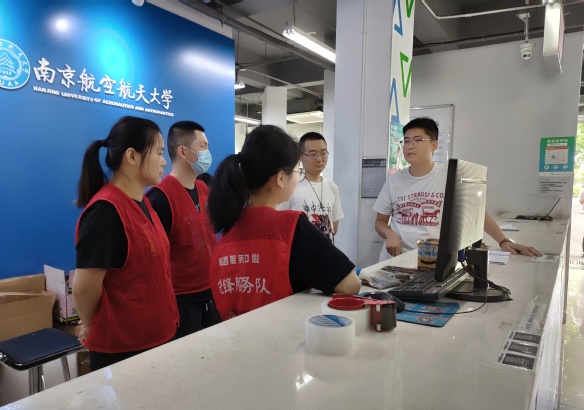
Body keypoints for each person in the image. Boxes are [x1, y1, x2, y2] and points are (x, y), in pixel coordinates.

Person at [208, 125, 361, 320]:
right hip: (281, 333)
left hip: (235, 336)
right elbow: (351, 285)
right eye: (297, 170)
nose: (298, 177)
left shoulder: (228, 228)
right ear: (281, 177)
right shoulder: (290, 225)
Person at [72, 116, 178, 371]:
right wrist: (91, 323)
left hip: (157, 339)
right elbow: (84, 288)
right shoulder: (105, 212)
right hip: (125, 352)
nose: (164, 161)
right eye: (159, 152)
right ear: (132, 156)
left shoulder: (143, 202)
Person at [374, 117, 542, 261]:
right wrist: (389, 234)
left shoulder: (450, 176)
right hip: (395, 260)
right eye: (406, 141)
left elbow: (476, 212)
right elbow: (380, 221)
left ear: (434, 145)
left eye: (418, 140)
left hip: (434, 262)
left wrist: (503, 241)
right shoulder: (394, 181)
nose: (410, 146)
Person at [146, 121, 221, 338]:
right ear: (183, 152)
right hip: (182, 300)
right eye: (202, 146)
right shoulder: (160, 197)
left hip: (211, 292)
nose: (207, 153)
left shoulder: (204, 189)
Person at [278, 132, 343, 243]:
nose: (319, 159)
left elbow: (334, 225)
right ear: (300, 156)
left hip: (326, 250)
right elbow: (280, 224)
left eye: (323, 153)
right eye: (313, 154)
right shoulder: (290, 186)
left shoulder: (332, 187)